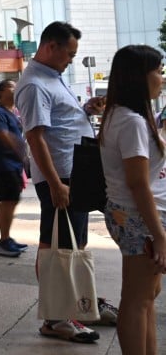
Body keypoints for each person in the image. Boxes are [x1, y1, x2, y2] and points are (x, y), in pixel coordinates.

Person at [15, 21, 117, 343]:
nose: (71, 59)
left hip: (74, 175)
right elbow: (35, 136)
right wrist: (57, 185)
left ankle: (77, 304)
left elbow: (58, 123)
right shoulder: (34, 84)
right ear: (50, 47)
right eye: (69, 54)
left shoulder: (51, 77)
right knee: (55, 246)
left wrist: (85, 110)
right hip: (60, 178)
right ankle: (56, 318)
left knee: (73, 243)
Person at [99, 44, 166, 355]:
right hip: (137, 218)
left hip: (128, 215)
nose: (162, 78)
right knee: (138, 299)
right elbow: (138, 184)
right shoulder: (132, 122)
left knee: (147, 295)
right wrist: (160, 235)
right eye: (159, 71)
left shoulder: (120, 114)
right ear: (139, 77)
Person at [0, 79, 29, 257]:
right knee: (8, 200)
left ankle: (7, 238)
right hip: (3, 165)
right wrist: (22, 150)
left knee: (12, 199)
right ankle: (3, 240)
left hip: (13, 164)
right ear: (1, 92)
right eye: (12, 87)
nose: (16, 89)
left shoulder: (14, 112)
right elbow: (3, 135)